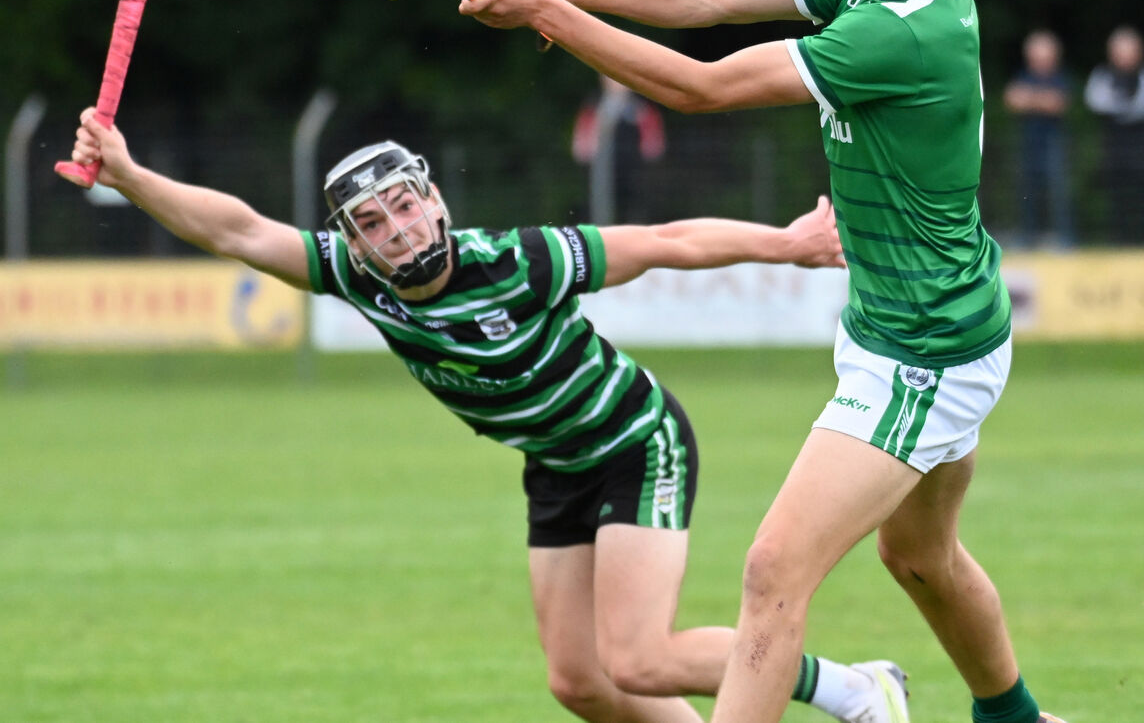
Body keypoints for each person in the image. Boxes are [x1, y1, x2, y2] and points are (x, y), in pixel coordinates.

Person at [461, 0, 1068, 723]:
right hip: (921, 327)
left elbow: (697, 87)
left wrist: (548, 16)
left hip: (923, 352)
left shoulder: (903, 34)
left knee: (774, 572)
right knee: (920, 558)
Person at [67, 111, 910, 723]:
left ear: (434, 200)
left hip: (632, 442)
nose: (394, 231)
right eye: (371, 224)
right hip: (552, 464)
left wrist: (789, 243)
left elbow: (664, 241)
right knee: (579, 683)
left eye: (403, 205)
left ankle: (853, 691)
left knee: (641, 658)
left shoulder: (518, 261)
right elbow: (242, 232)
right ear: (355, 245)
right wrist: (131, 177)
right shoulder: (356, 278)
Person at [1001, 29, 1074, 247]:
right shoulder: (1023, 75)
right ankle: (1027, 238)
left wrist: (1029, 99)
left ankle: (1065, 239)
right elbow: (1011, 100)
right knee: (1026, 193)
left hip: (1054, 145)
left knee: (1059, 193)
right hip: (1028, 143)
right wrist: (1042, 100)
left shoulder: (1061, 77)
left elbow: (1058, 104)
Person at [572, 74, 667, 223]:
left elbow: (654, 147)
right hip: (602, 174)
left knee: (634, 213)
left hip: (634, 174)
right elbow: (581, 147)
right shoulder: (593, 106)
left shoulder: (641, 109)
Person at [1083, 24, 1144, 245]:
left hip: (1139, 148)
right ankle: (1117, 242)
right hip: (1113, 149)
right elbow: (1094, 101)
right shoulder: (1102, 76)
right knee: (1116, 199)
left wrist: (1119, 107)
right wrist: (1126, 107)